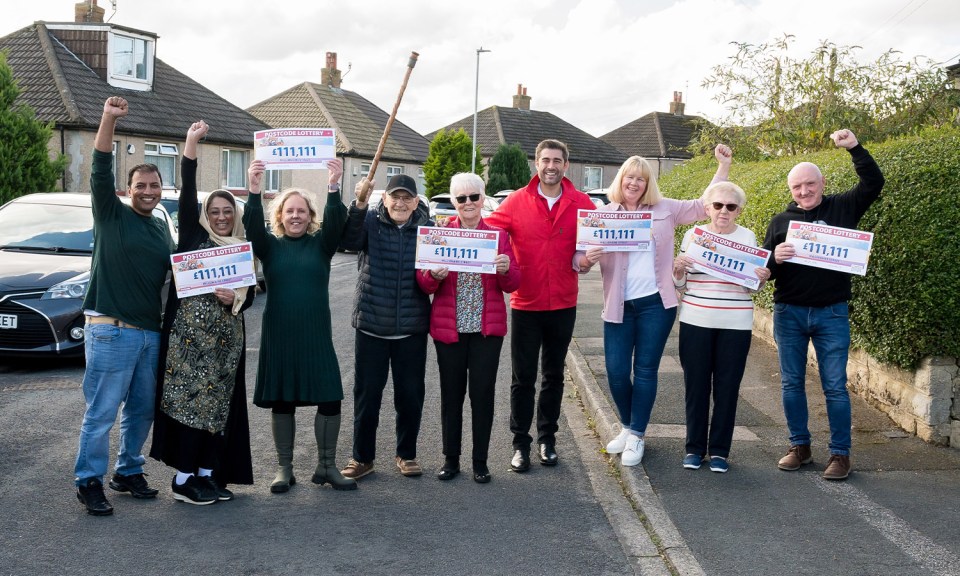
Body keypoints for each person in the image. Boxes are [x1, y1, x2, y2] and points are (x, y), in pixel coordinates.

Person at [575, 146, 731, 467]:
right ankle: (629, 426)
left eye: (641, 179)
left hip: (656, 305)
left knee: (645, 370)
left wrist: (723, 165)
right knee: (617, 373)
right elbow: (579, 260)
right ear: (621, 180)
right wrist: (585, 260)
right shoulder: (603, 215)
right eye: (630, 178)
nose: (634, 183)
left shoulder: (666, 209)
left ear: (648, 184)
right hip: (618, 304)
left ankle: (637, 435)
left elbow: (704, 206)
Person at [762, 129, 884, 481]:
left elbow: (874, 183)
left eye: (809, 184)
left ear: (822, 182)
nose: (804, 191)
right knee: (790, 383)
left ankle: (840, 455)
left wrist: (855, 148)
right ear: (791, 190)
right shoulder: (780, 222)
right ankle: (799, 447)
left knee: (834, 385)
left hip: (832, 312)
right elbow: (765, 272)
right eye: (797, 187)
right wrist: (775, 257)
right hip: (789, 313)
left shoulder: (843, 207)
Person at [74, 96, 175, 516]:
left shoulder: (159, 227)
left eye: (154, 187)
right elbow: (99, 164)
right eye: (141, 186)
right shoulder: (111, 214)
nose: (148, 192)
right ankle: (89, 480)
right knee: (101, 413)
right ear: (127, 190)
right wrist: (107, 119)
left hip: (148, 334)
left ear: (161, 191)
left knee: (140, 410)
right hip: (110, 329)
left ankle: (128, 471)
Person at [149, 121, 255, 504]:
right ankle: (182, 480)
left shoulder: (242, 248)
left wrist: (235, 300)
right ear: (205, 214)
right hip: (188, 347)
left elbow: (251, 297)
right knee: (189, 408)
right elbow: (190, 191)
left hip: (226, 348)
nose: (222, 216)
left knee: (219, 409)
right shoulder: (194, 239)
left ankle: (209, 474)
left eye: (227, 211)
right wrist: (190, 146)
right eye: (215, 211)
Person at [484, 139, 597, 472]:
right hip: (526, 303)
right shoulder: (517, 201)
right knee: (523, 378)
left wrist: (585, 258)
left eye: (557, 160)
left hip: (563, 302)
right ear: (536, 164)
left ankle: (547, 439)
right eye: (545, 160)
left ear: (566, 164)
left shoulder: (582, 202)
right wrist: (444, 240)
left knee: (554, 376)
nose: (551, 165)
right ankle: (520, 444)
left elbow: (597, 239)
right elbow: (484, 231)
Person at [244, 158, 356, 492]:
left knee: (330, 398)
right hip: (280, 336)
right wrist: (254, 189)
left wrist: (333, 185)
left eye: (302, 211)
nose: (295, 216)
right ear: (279, 215)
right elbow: (251, 227)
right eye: (289, 211)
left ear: (310, 216)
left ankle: (326, 466)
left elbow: (337, 222)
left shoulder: (322, 246)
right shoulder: (270, 248)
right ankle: (285, 468)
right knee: (283, 401)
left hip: (316, 337)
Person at [416, 173, 520, 483]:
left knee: (482, 394)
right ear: (454, 202)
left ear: (483, 198)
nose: (468, 203)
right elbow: (423, 283)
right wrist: (433, 275)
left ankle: (480, 460)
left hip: (486, 329)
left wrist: (505, 269)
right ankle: (451, 459)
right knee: (451, 395)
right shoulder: (441, 235)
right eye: (461, 198)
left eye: (474, 197)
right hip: (450, 329)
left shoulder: (498, 236)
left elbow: (514, 281)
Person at [672, 181, 771, 473]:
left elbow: (752, 289)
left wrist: (761, 279)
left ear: (739, 210)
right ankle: (693, 449)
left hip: (735, 323)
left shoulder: (748, 237)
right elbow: (680, 284)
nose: (723, 211)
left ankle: (719, 452)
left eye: (731, 206)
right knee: (696, 386)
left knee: (727, 387)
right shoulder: (692, 235)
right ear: (707, 208)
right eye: (718, 205)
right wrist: (677, 271)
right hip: (696, 320)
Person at [339, 174, 432, 480]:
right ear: (385, 199)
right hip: (371, 326)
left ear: (416, 202)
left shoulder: (429, 231)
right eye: (396, 197)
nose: (401, 203)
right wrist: (359, 203)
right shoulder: (369, 222)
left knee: (410, 395)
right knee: (367, 397)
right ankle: (362, 458)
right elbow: (348, 240)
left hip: (411, 327)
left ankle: (406, 454)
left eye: (407, 198)